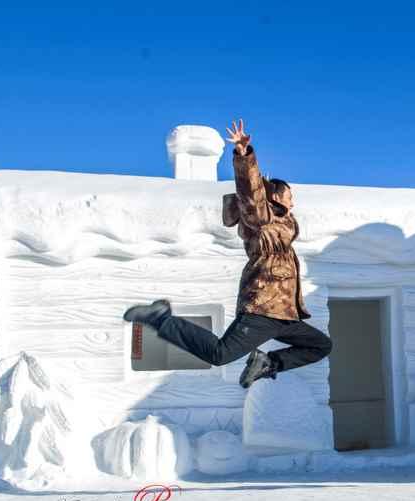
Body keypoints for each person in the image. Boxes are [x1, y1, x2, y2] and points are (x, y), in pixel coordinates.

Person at [124, 118, 332, 388]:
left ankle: (267, 363)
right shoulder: (260, 220)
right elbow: (251, 192)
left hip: (284, 315)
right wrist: (244, 155)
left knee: (320, 345)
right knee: (220, 354)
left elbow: (286, 223)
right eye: (289, 194)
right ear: (276, 197)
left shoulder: (283, 226)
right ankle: (162, 319)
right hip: (262, 310)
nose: (293, 198)